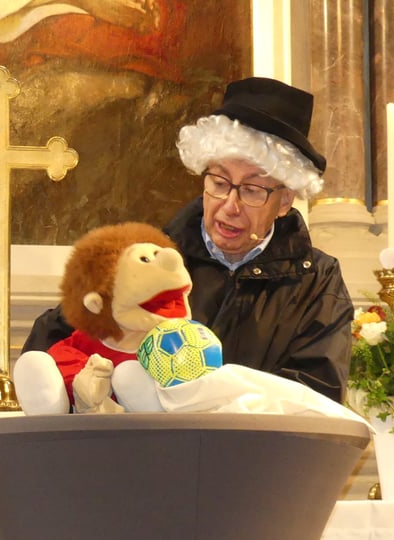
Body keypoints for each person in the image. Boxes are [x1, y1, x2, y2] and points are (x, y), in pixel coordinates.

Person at [22, 76, 354, 403]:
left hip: (252, 454)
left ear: (284, 201)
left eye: (252, 190)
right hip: (145, 452)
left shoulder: (317, 280)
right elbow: (55, 339)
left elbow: (317, 395)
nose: (230, 206)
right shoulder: (148, 257)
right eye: (220, 183)